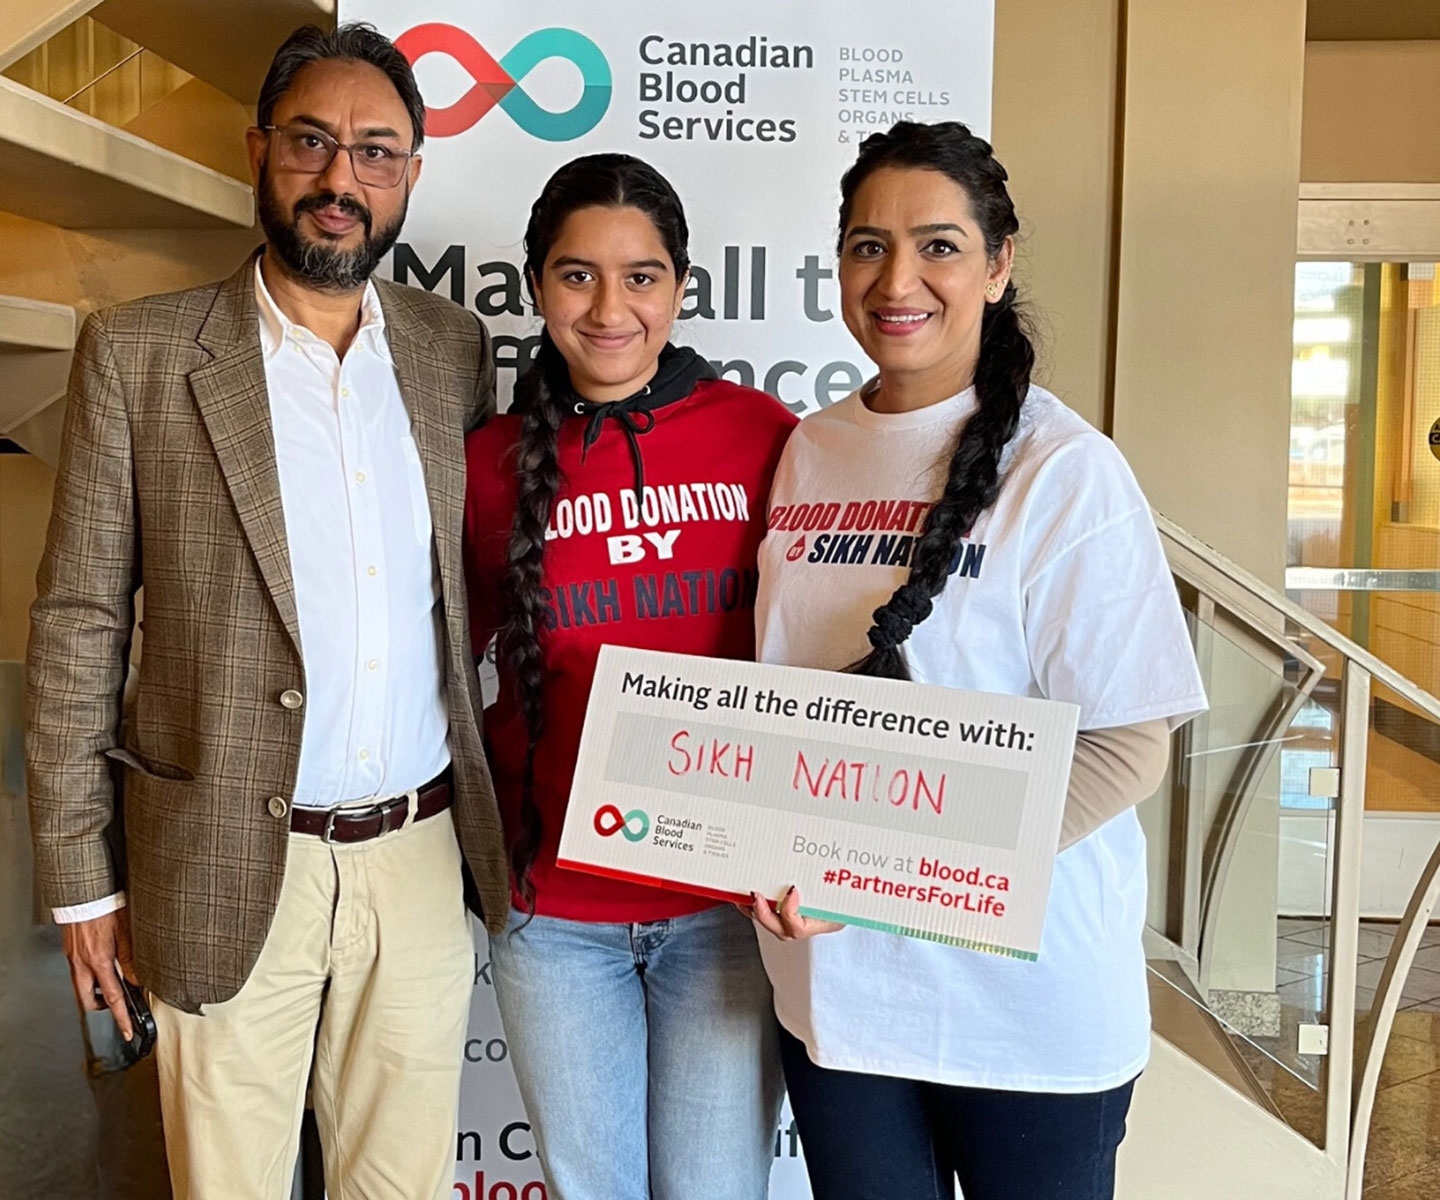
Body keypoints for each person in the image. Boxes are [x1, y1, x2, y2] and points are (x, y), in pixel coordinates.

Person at [25, 24, 508, 1200]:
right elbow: (79, 621)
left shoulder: (453, 353)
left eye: (376, 153)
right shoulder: (139, 355)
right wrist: (83, 882)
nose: (342, 179)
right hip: (228, 858)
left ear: (408, 177)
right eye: (313, 142)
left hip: (420, 856)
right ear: (259, 151)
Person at [748, 120, 1207, 1200]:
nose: (897, 278)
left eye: (939, 246)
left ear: (999, 266)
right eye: (867, 245)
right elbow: (786, 708)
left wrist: (889, 873)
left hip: (1028, 1012)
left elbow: (1129, 745)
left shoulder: (1067, 471)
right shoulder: (809, 449)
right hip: (841, 1002)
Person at [463, 153, 795, 1200]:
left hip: (725, 909)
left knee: (715, 1190)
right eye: (577, 275)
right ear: (535, 288)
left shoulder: (765, 439)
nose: (611, 308)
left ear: (683, 288)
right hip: (554, 915)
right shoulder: (483, 464)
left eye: (642, 275)